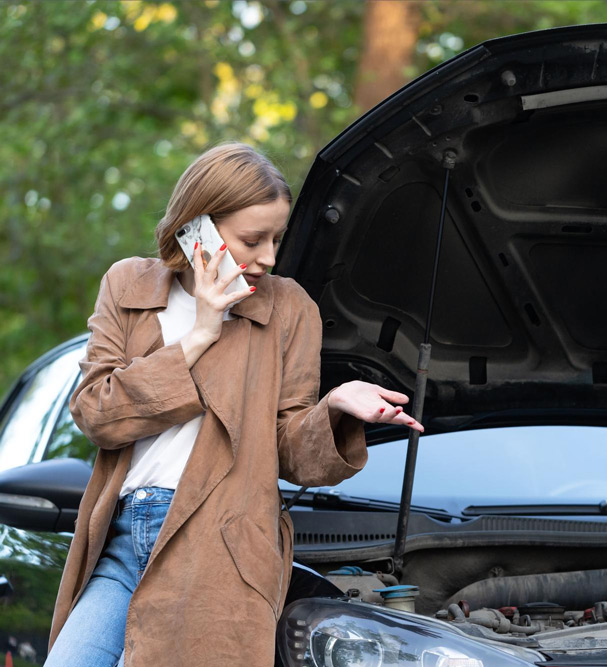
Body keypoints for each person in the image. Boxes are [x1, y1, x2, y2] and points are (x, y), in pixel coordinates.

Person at [44, 142, 422, 666]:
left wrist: (333, 409)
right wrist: (200, 333)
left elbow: (291, 453)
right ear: (196, 226)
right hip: (119, 538)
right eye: (252, 239)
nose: (268, 256)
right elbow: (97, 414)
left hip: (220, 548)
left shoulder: (289, 308)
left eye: (276, 239)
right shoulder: (127, 284)